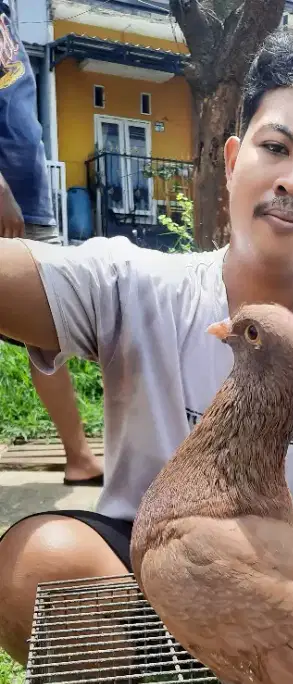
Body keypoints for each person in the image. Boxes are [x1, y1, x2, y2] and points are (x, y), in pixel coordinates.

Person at [1, 26, 293, 672]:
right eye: (277, 147)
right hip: (153, 562)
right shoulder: (138, 284)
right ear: (234, 158)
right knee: (35, 563)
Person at [0, 0, 103, 485]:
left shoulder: (8, 19)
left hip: (30, 202)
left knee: (50, 337)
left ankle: (79, 457)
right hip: (6, 198)